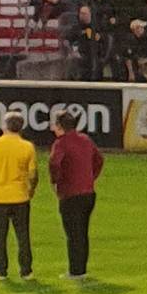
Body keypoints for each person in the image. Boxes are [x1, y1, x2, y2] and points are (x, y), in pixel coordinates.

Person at [0, 113, 39, 281]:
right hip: (20, 196)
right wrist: (31, 189)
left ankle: (1, 271)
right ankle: (26, 271)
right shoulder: (27, 147)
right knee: (23, 236)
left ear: (4, 126)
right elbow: (33, 174)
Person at [48, 112, 103, 282]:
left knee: (73, 234)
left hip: (70, 193)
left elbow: (55, 163)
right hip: (88, 193)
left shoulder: (61, 144)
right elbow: (99, 160)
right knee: (82, 232)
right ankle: (81, 268)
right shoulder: (85, 139)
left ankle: (75, 271)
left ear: (59, 126)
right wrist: (90, 177)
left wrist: (56, 181)